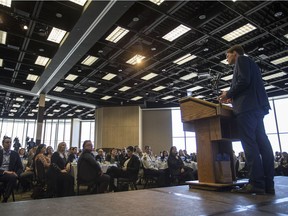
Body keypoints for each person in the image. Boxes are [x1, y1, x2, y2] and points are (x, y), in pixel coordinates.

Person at [218, 44, 275, 195]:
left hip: (247, 110)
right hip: (256, 107)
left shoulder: (241, 60)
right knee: (263, 144)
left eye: (227, 55)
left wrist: (228, 93)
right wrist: (234, 98)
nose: (227, 58)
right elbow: (248, 85)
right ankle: (268, 184)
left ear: (234, 53)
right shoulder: (251, 63)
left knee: (250, 145)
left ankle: (255, 184)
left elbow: (243, 81)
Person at [0, 137, 23, 202]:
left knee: (13, 177)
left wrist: (16, 174)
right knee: (12, 179)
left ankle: (5, 198)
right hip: (1, 173)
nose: (9, 144)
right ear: (3, 144)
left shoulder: (15, 154)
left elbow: (20, 167)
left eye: (10, 142)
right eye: (7, 142)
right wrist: (5, 171)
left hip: (10, 175)